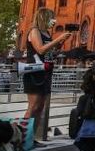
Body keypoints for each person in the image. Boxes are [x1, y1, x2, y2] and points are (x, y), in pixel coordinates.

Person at [24, 8, 72, 143]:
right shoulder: (35, 31)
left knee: (40, 107)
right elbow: (40, 49)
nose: (54, 21)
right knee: (33, 106)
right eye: (52, 18)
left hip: (46, 71)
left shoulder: (46, 33)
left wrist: (60, 43)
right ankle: (23, 138)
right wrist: (59, 38)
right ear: (44, 17)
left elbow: (49, 52)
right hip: (35, 71)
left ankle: (31, 138)